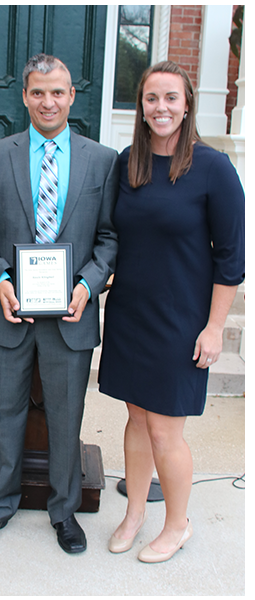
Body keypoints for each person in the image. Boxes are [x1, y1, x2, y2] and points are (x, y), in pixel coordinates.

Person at [0, 54, 118, 554]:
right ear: (24, 96)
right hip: (8, 309)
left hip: (70, 315)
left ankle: (65, 512)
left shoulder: (102, 160)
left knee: (66, 417)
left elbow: (110, 238)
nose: (48, 102)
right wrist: (0, 280)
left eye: (58, 92)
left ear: (72, 96)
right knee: (3, 414)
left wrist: (88, 285)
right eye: (37, 92)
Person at [98, 61, 244, 563]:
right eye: (151, 98)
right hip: (129, 313)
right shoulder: (128, 162)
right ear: (140, 106)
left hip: (180, 319)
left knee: (165, 429)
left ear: (186, 106)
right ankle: (135, 513)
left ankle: (177, 524)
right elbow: (112, 235)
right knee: (136, 420)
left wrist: (214, 327)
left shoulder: (213, 168)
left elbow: (230, 259)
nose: (161, 108)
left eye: (171, 99)